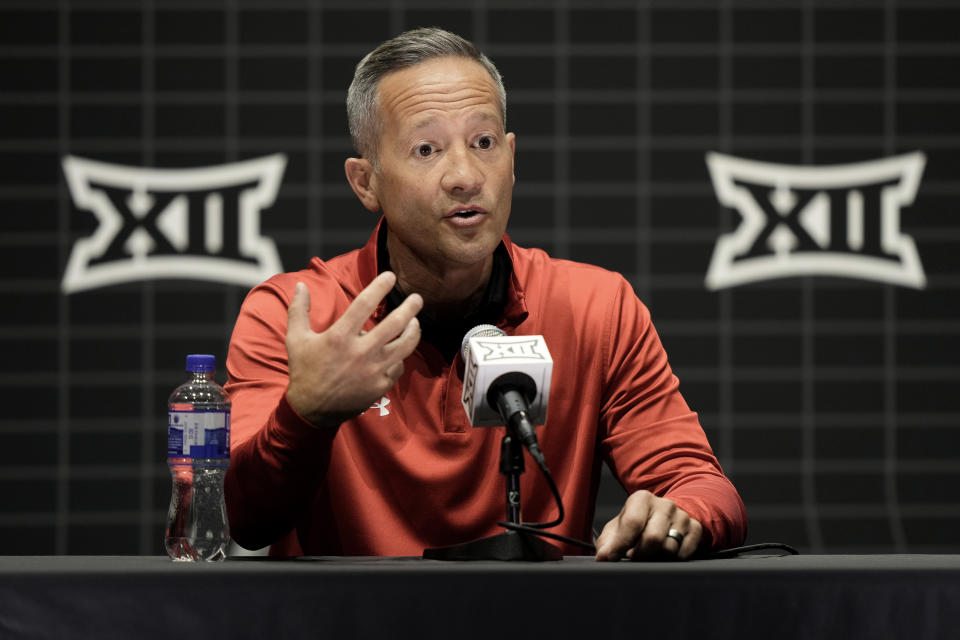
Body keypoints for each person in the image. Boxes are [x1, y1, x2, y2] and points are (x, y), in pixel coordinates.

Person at [224, 27, 747, 560]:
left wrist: (680, 517)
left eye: (484, 143)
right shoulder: (297, 315)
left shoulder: (596, 307)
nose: (465, 176)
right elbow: (244, 518)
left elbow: (701, 486)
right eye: (426, 149)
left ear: (512, 158)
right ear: (366, 182)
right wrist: (306, 415)